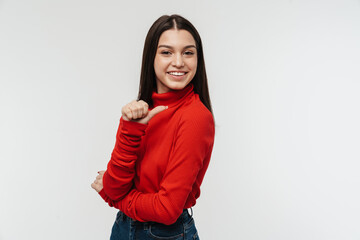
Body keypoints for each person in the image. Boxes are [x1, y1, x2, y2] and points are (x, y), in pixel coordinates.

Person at [91, 14, 215, 240]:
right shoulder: (140, 111)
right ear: (151, 57)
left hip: (166, 234)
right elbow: (116, 186)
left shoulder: (196, 117)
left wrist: (114, 199)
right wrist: (129, 129)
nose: (179, 62)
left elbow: (167, 209)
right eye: (167, 52)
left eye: (188, 52)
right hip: (122, 228)